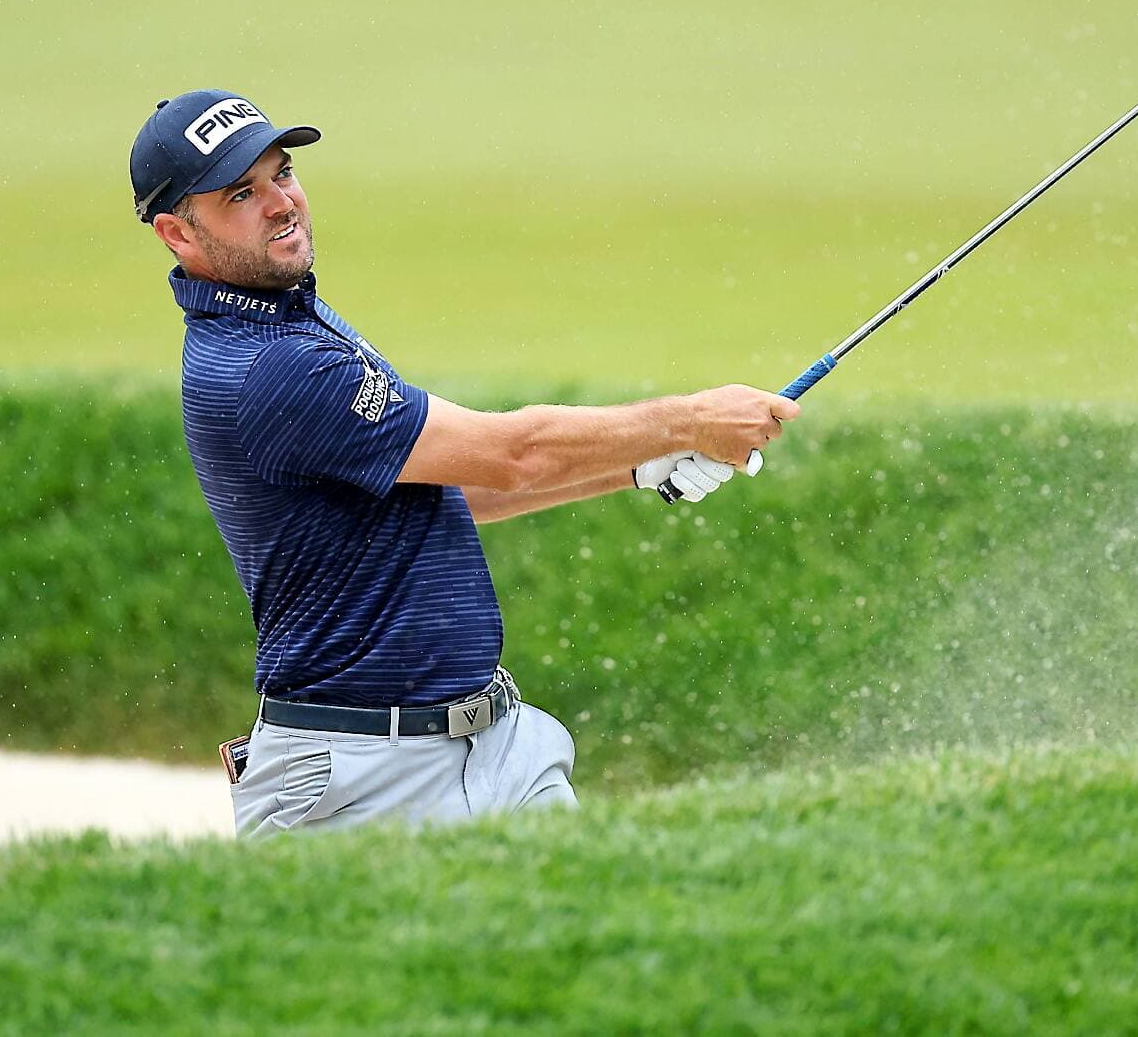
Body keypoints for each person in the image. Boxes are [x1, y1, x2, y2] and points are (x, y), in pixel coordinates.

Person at [129, 89, 800, 836]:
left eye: (282, 174)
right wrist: (690, 419)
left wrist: (642, 464)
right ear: (176, 233)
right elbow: (514, 453)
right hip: (358, 779)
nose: (281, 203)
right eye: (241, 194)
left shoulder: (290, 311)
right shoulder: (267, 367)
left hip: (494, 746)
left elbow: (439, 484)